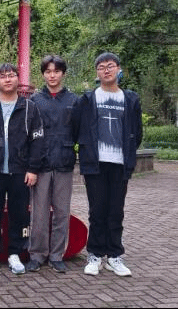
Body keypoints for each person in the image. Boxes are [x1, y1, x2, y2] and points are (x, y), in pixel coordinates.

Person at [74, 52, 142, 277]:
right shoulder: (87, 99)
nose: (106, 70)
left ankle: (114, 256)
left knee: (116, 211)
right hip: (95, 163)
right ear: (97, 72)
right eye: (101, 67)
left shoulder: (130, 99)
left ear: (119, 69)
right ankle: (95, 255)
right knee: (97, 211)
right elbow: (77, 128)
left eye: (110, 66)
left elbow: (137, 132)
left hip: (120, 164)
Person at [0, 63, 44, 275]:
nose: (7, 79)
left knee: (19, 214)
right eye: (3, 76)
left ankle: (15, 253)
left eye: (11, 75)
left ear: (17, 79)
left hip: (20, 170)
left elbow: (37, 140)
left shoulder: (29, 107)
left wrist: (33, 169)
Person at [26, 55, 78, 274]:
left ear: (63, 73)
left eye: (56, 71)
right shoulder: (34, 101)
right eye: (48, 71)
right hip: (41, 164)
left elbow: (78, 131)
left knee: (62, 212)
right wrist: (31, 165)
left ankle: (57, 255)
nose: (52, 75)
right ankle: (37, 255)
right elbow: (29, 134)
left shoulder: (74, 100)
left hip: (64, 162)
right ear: (43, 74)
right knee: (38, 213)